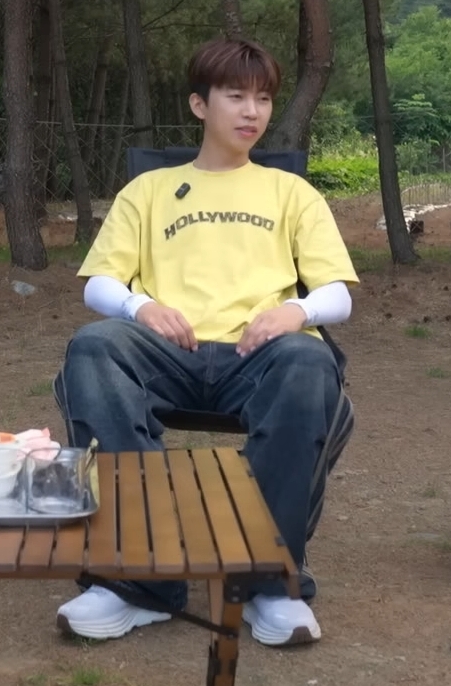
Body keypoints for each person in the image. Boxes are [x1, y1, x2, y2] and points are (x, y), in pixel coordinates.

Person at [53, 36, 359, 647]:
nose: (252, 111)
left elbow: (339, 295)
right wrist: (141, 306)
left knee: (308, 357)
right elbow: (100, 283)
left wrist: (296, 311)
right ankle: (136, 579)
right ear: (199, 104)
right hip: (170, 351)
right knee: (94, 346)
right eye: (236, 96)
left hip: (259, 355)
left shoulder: (292, 193)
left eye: (264, 99)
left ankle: (267, 582)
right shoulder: (149, 190)